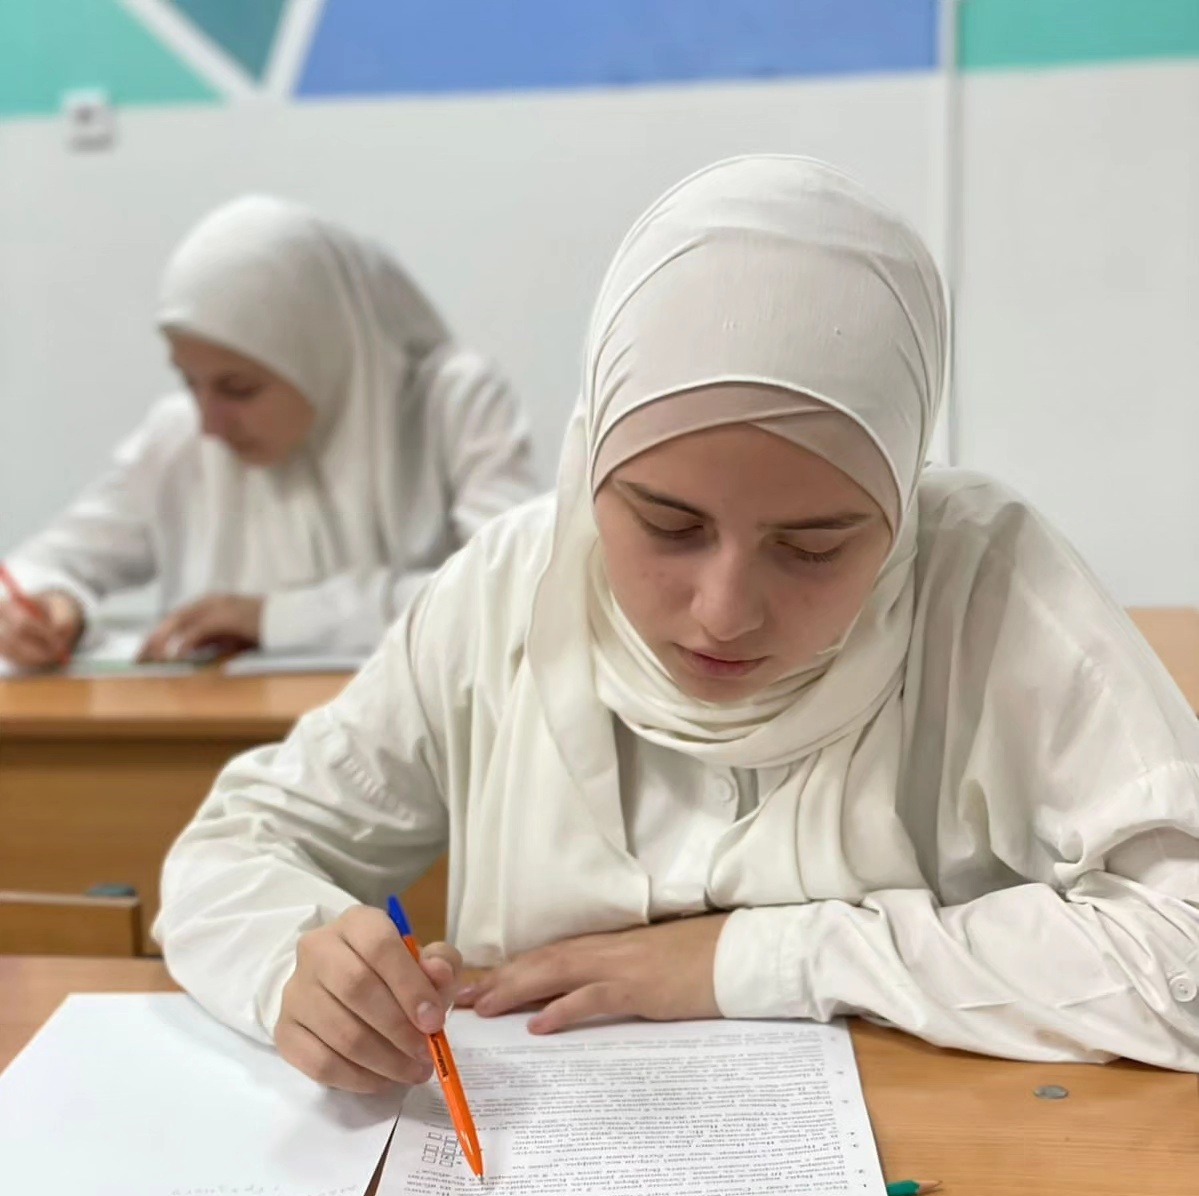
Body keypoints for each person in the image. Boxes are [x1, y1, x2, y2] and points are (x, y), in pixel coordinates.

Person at [156, 156, 1199, 1093]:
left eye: (814, 545)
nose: (724, 610)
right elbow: (233, 849)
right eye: (668, 524)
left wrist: (755, 959)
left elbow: (1184, 947)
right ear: (589, 468)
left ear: (899, 510)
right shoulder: (505, 590)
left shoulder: (981, 585)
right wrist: (294, 967)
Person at [0, 196, 538, 666]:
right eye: (190, 383)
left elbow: (513, 589)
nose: (210, 424)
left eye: (239, 388)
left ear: (323, 354)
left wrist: (275, 620)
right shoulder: (179, 437)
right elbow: (43, 564)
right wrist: (52, 604)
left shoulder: (452, 402)